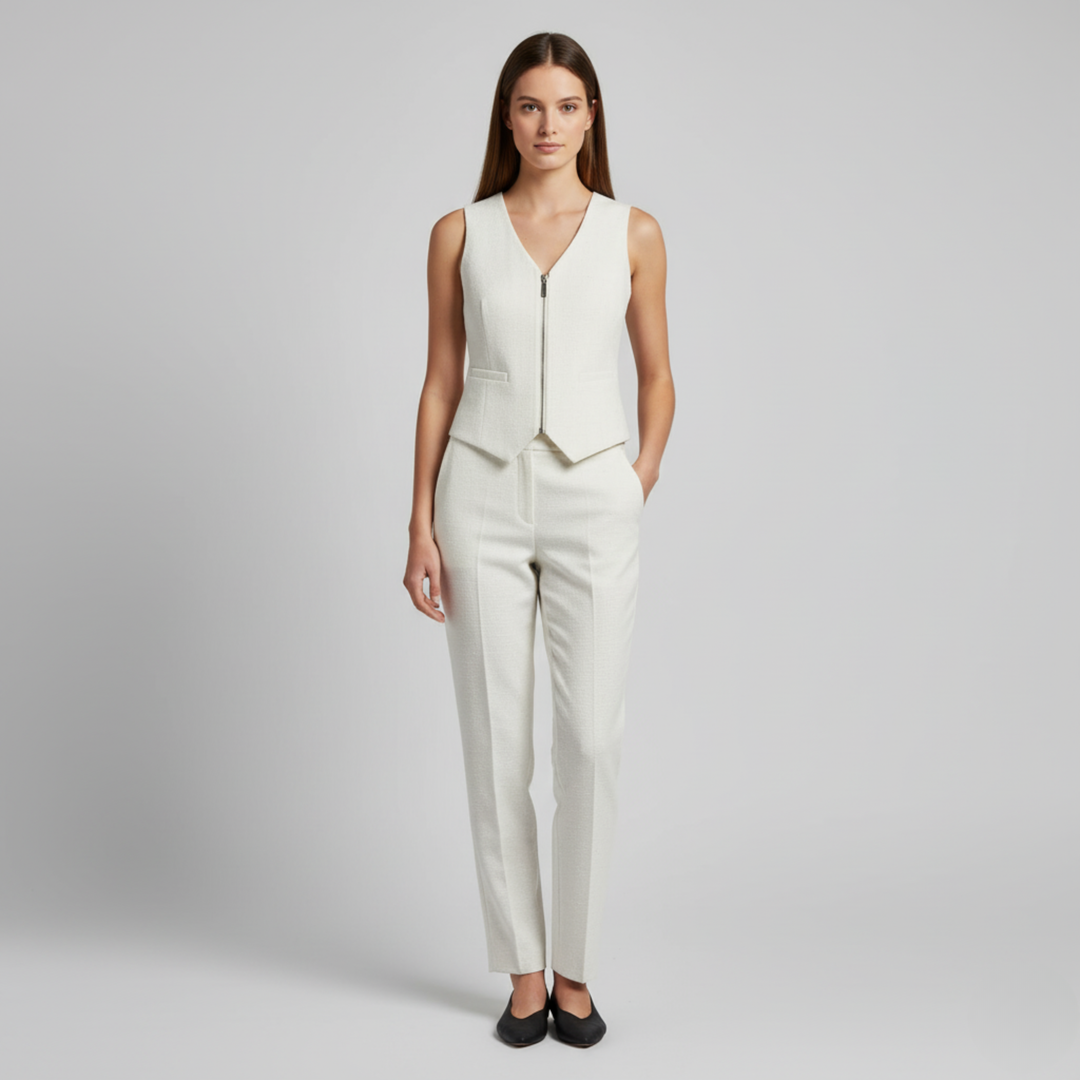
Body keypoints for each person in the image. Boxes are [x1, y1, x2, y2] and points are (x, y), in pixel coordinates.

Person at [404, 31, 675, 1048]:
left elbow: (658, 373)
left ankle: (577, 970)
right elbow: (440, 380)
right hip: (478, 491)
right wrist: (420, 518)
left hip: (593, 492)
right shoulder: (459, 233)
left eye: (566, 106)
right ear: (507, 119)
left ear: (591, 117)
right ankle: (524, 973)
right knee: (495, 743)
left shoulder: (633, 232)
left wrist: (637, 476)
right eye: (530, 106)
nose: (548, 124)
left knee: (592, 741)